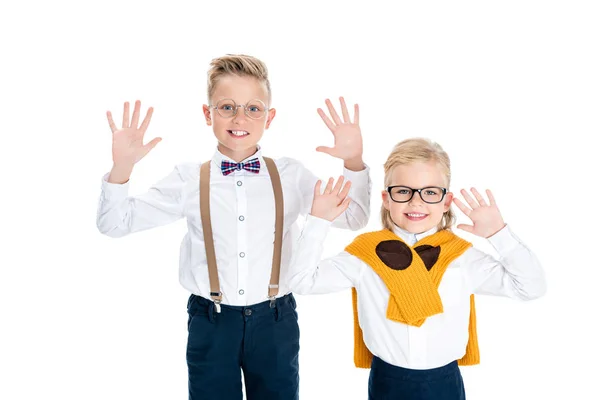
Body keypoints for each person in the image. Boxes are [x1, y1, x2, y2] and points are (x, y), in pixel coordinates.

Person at [96, 54, 372, 400]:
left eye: (253, 108)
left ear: (269, 118)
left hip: (275, 320)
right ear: (207, 113)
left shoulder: (291, 175)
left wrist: (353, 162)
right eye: (227, 107)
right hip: (210, 322)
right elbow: (114, 223)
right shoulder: (188, 179)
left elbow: (354, 218)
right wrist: (121, 168)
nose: (240, 117)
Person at [288, 137, 546, 400]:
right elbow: (302, 282)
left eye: (430, 192)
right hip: (387, 381)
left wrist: (499, 234)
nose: (416, 202)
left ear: (446, 202)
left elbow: (530, 287)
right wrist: (317, 223)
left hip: (444, 382)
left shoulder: (462, 257)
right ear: (386, 199)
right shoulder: (364, 254)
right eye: (403, 191)